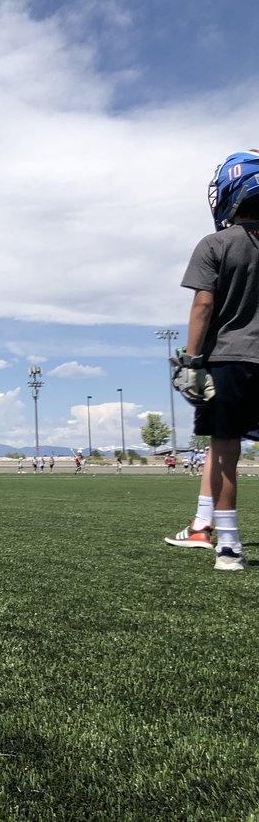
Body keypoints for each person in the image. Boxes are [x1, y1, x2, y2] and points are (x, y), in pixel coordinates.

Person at [164, 150, 259, 571]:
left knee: (224, 452)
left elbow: (203, 304)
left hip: (228, 359)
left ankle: (228, 547)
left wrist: (191, 358)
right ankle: (202, 527)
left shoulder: (216, 244)